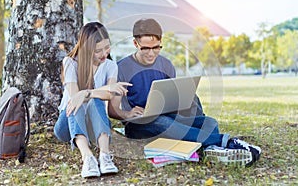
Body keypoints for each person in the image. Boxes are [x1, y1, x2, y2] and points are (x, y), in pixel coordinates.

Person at [108, 18, 261, 167]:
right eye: (145, 48)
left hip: (167, 116)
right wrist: (128, 114)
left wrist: (181, 101)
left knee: (209, 122)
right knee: (164, 122)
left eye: (156, 47)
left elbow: (169, 98)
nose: (151, 53)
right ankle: (226, 142)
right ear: (135, 43)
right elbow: (112, 110)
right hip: (138, 125)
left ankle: (208, 149)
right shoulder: (121, 68)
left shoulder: (166, 65)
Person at [54, 22, 131, 178]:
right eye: (98, 51)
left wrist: (88, 93)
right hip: (67, 125)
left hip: (96, 124)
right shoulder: (70, 63)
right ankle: (87, 157)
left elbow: (109, 95)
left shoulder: (110, 65)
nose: (104, 53)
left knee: (93, 99)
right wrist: (89, 93)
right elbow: (76, 97)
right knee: (81, 100)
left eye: (107, 48)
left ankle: (105, 155)